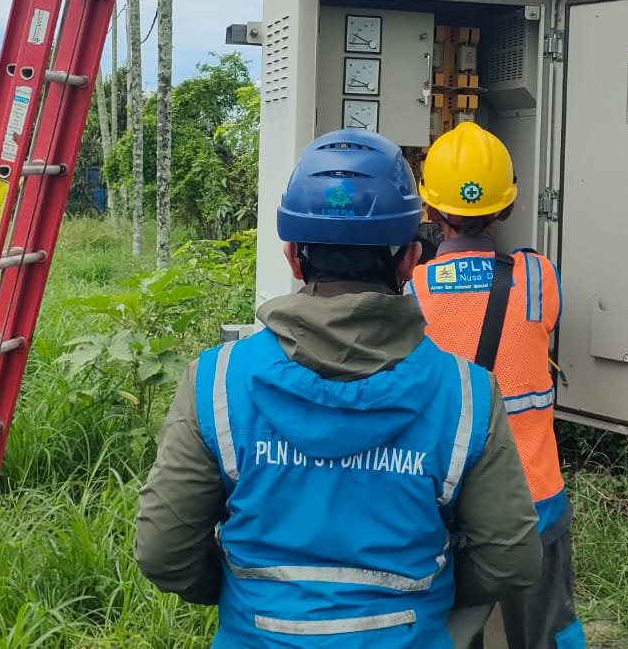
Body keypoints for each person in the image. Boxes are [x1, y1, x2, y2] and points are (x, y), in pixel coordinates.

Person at [135, 129, 543, 648]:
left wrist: (243, 596)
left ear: (293, 255)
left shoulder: (216, 382)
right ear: (409, 259)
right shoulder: (468, 396)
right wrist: (430, 598)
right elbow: (511, 557)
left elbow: (162, 551)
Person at [410, 122, 582, 649]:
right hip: (535, 500)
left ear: (430, 211)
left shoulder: (412, 290)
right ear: (507, 207)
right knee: (548, 630)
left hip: (447, 503)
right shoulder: (537, 276)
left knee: (457, 631)